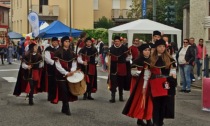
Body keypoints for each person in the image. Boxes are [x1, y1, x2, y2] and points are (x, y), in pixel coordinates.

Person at [148, 39, 177, 126]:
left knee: (163, 104)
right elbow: (147, 74)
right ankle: (155, 122)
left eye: (163, 46)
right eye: (160, 46)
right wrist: (144, 86)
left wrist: (173, 86)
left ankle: (160, 122)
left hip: (166, 84)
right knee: (156, 104)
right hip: (155, 83)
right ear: (156, 47)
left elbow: (173, 72)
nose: (162, 48)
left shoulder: (169, 59)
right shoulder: (151, 59)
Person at [122, 44, 153, 126]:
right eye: (145, 50)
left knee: (149, 101)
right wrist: (142, 73)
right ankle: (145, 119)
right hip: (139, 84)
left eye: (148, 50)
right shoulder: (137, 60)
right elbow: (133, 73)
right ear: (141, 52)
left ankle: (146, 118)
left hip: (150, 83)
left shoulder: (152, 60)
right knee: (141, 101)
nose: (147, 52)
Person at [53, 36, 78, 116]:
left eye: (68, 41)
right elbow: (58, 65)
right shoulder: (58, 52)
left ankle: (64, 107)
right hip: (61, 75)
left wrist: (72, 71)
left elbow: (74, 63)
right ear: (62, 42)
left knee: (68, 91)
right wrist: (65, 73)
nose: (67, 43)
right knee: (64, 91)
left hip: (70, 74)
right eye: (66, 41)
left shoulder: (72, 53)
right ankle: (67, 108)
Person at [107, 36, 131, 103]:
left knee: (121, 82)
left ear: (120, 42)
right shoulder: (111, 49)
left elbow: (129, 57)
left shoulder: (124, 48)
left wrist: (126, 61)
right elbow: (108, 58)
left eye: (118, 41)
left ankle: (121, 96)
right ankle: (113, 97)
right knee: (113, 82)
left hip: (122, 66)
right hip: (113, 67)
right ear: (114, 42)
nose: (117, 42)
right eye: (115, 41)